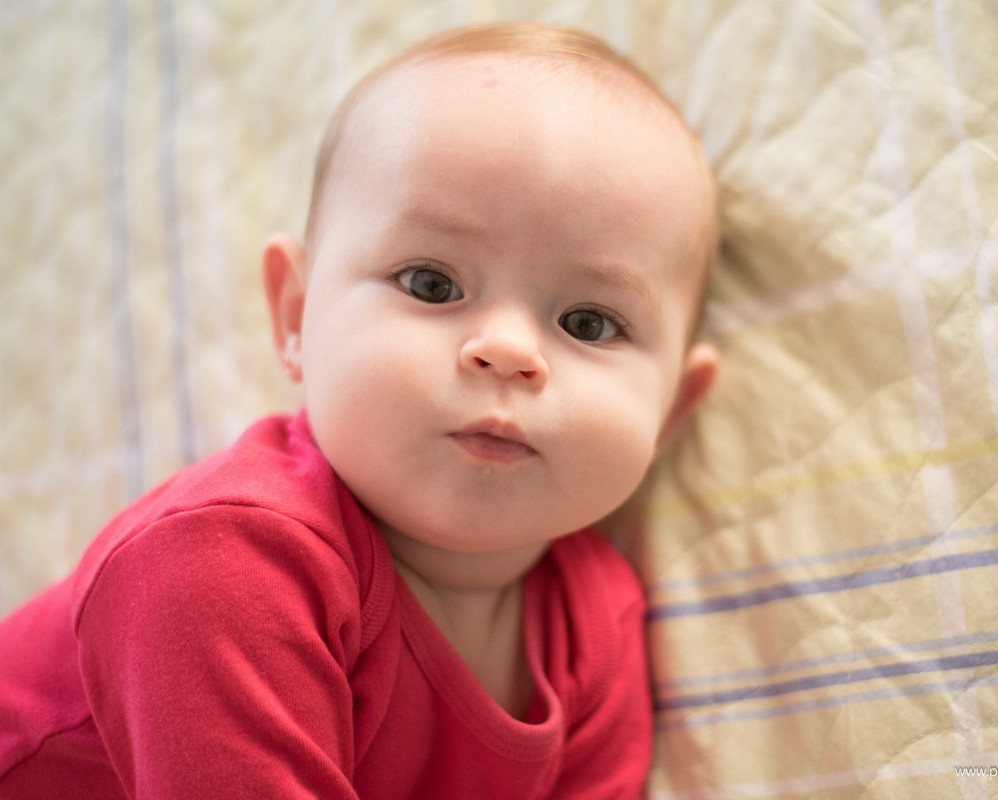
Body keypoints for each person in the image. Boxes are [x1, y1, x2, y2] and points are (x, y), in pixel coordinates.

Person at [0, 20, 718, 799]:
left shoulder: (598, 624)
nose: (508, 351)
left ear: (672, 411)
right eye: (432, 284)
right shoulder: (223, 565)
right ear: (296, 318)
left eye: (589, 324)